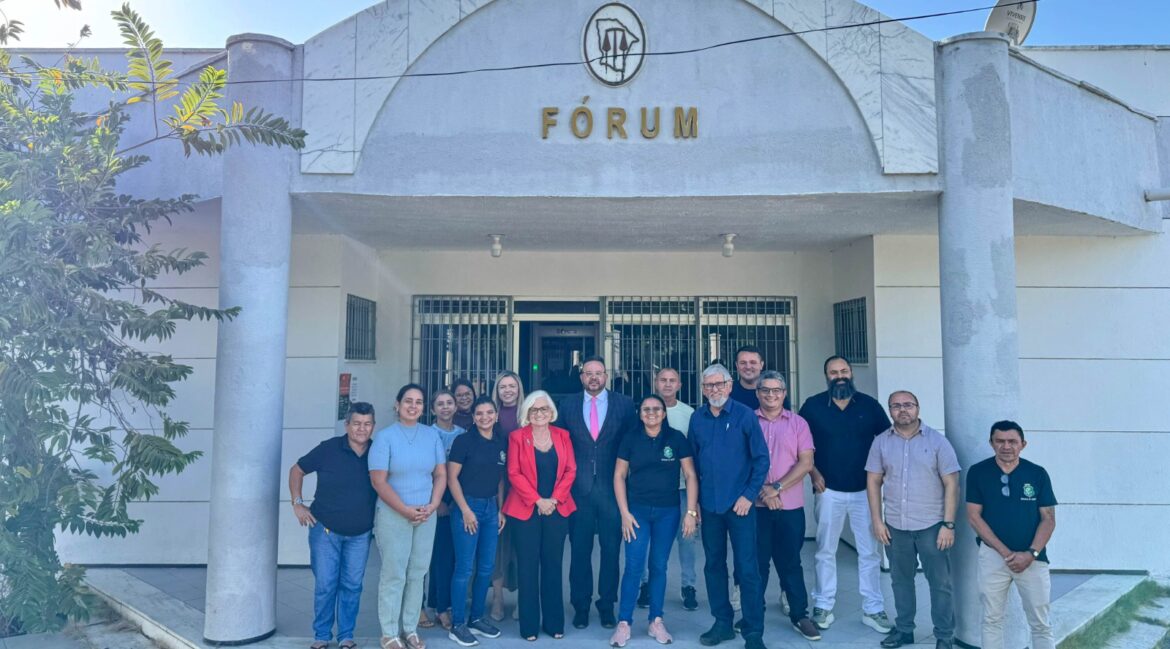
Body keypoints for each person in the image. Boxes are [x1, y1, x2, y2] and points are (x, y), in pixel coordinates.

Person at [798, 356, 893, 634]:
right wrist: (813, 474)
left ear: (851, 374)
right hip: (828, 491)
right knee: (825, 550)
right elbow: (801, 446)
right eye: (833, 372)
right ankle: (823, 605)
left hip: (866, 492)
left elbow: (887, 440)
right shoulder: (813, 406)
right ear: (826, 376)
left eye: (843, 371)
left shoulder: (869, 405)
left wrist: (883, 474)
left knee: (869, 552)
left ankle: (873, 609)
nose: (839, 376)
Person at [866, 391, 959, 649]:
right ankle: (905, 630)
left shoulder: (938, 442)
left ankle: (944, 636)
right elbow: (873, 482)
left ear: (918, 408)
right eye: (896, 406)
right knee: (900, 582)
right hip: (895, 527)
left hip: (932, 527)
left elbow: (952, 483)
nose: (902, 410)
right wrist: (877, 520)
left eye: (908, 405)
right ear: (890, 410)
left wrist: (948, 524)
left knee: (940, 584)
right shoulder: (881, 442)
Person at [690, 364, 770, 649]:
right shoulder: (697, 419)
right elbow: (694, 466)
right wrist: (695, 504)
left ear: (729, 385)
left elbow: (761, 459)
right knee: (713, 566)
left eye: (719, 384)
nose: (714, 390)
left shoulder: (745, 416)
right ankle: (722, 623)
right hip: (710, 507)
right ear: (702, 389)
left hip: (741, 506)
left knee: (747, 568)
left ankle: (753, 631)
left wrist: (749, 495)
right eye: (709, 385)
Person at [556, 356, 638, 630]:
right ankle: (580, 606)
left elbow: (630, 447)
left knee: (611, 551)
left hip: (611, 490)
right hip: (578, 491)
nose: (593, 377)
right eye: (588, 373)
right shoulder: (566, 405)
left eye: (598, 373)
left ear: (606, 376)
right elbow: (561, 448)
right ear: (581, 377)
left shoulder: (624, 405)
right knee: (579, 551)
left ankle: (606, 605)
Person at [610, 394, 699, 647]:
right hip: (636, 512)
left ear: (663, 413)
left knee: (659, 566)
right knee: (634, 566)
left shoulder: (676, 439)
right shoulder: (630, 439)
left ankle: (655, 620)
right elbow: (619, 475)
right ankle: (624, 622)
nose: (651, 413)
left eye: (656, 409)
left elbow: (691, 475)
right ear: (640, 414)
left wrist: (690, 512)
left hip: (668, 512)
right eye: (646, 409)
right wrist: (624, 513)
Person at [289, 402, 378, 649]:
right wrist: (297, 503)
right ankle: (321, 637)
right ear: (347, 424)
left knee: (352, 586)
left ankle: (346, 637)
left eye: (367, 423)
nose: (362, 428)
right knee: (326, 584)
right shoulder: (329, 449)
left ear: (373, 426)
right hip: (325, 530)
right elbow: (297, 470)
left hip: (360, 533)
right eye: (357, 423)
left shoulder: (378, 451)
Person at [369, 384, 448, 649]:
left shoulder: (431, 436)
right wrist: (405, 510)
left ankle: (410, 629)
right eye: (408, 401)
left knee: (417, 573)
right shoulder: (385, 437)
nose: (413, 406)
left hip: (426, 514)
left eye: (418, 402)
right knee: (394, 574)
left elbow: (440, 474)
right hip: (394, 515)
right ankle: (389, 633)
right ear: (397, 404)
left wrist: (433, 504)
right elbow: (379, 481)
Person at [967, 421, 1057, 649]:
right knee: (991, 619)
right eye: (1000, 441)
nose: (1006, 446)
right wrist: (1006, 553)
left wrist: (1030, 553)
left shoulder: (1037, 474)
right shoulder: (978, 472)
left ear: (1023, 444)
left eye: (1012, 441)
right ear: (991, 443)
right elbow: (974, 517)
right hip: (993, 557)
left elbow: (1048, 518)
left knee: (1040, 623)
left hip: (1033, 559)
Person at [748, 371, 820, 641]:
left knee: (790, 562)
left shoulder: (798, 423)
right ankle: (752, 615)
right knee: (757, 564)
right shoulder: (748, 421)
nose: (771, 395)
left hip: (789, 506)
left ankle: (800, 615)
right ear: (758, 393)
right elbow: (741, 462)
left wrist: (775, 488)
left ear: (784, 393)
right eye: (765, 390)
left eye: (776, 390)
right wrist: (763, 493)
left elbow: (806, 463)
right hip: (755, 507)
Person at [502, 391, 577, 641]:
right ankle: (529, 626)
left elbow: (570, 470)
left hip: (557, 508)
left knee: (553, 565)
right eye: (534, 410)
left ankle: (554, 623)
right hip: (526, 510)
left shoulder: (563, 435)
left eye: (544, 409)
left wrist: (553, 500)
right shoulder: (516, 437)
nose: (539, 414)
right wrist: (537, 500)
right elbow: (513, 473)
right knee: (527, 567)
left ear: (551, 411)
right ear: (526, 413)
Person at [446, 396, 509, 646]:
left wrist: (501, 509)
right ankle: (458, 624)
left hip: (491, 508)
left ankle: (476, 619)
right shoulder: (463, 441)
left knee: (486, 567)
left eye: (489, 413)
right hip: (467, 507)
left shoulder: (500, 441)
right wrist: (464, 510)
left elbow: (501, 479)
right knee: (464, 568)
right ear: (473, 417)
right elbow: (452, 479)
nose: (484, 417)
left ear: (495, 415)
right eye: (479, 414)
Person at [637, 367, 700, 611]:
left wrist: (695, 504)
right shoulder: (643, 410)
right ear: (655, 383)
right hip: (650, 490)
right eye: (662, 380)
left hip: (683, 489)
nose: (667, 384)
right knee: (646, 540)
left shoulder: (689, 414)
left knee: (687, 539)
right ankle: (645, 585)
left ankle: (688, 586)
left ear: (680, 384)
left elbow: (695, 456)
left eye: (672, 380)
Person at [422, 389, 465, 630]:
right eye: (440, 404)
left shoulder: (462, 434)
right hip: (431, 499)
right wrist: (436, 501)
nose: (446, 407)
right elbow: (426, 470)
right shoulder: (427, 434)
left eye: (450, 403)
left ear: (456, 407)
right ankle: (424, 607)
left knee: (446, 556)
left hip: (454, 498)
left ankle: (441, 606)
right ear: (432, 410)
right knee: (426, 557)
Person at [489, 371, 525, 621]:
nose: (508, 390)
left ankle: (525, 599)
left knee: (524, 546)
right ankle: (498, 600)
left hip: (524, 489)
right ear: (497, 390)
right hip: (497, 487)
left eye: (512, 386)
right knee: (498, 548)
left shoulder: (528, 414)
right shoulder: (490, 415)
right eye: (503, 387)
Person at [729, 345, 764, 411]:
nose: (748, 367)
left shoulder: (773, 392)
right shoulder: (727, 391)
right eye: (743, 363)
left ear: (761, 365)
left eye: (753, 362)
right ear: (737, 365)